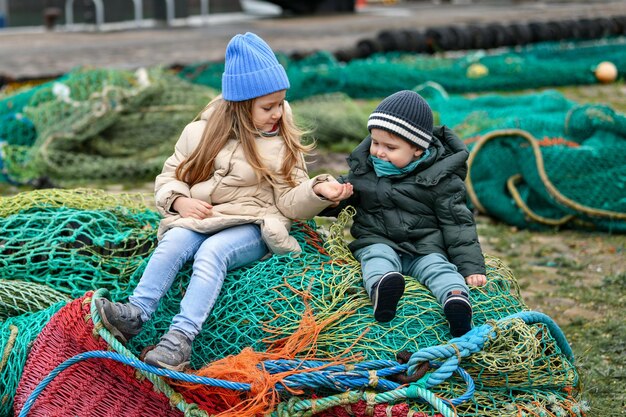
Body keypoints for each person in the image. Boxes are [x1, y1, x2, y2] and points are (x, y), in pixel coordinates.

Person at [95, 32, 352, 371]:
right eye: (268, 106)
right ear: (241, 105)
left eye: (280, 103)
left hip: (255, 224)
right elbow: (170, 175)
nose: (278, 112)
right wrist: (178, 202)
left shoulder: (279, 141)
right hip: (204, 217)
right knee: (174, 240)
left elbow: (290, 203)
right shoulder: (201, 131)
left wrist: (317, 192)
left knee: (211, 253)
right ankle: (135, 314)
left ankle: (180, 340)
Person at [321, 90, 486, 337]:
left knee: (438, 268)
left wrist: (471, 266)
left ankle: (456, 300)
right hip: (378, 240)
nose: (379, 152)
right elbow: (341, 201)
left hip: (425, 247)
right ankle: (382, 287)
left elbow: (458, 225)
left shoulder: (440, 179)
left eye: (390, 147)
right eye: (375, 143)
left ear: (418, 149)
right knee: (376, 258)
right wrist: (331, 197)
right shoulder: (364, 171)